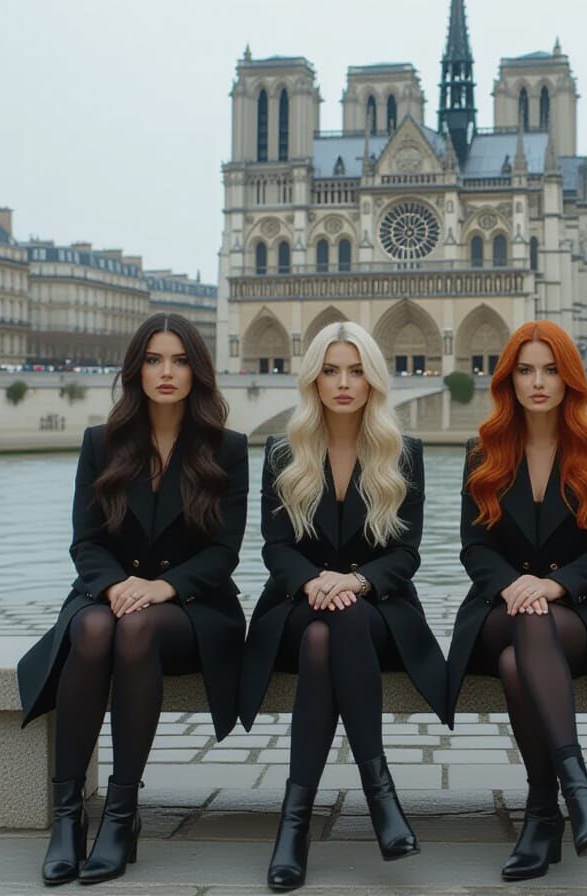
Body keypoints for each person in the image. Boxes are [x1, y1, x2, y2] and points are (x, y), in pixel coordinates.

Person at [17, 313, 249, 885]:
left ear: (197, 370)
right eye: (153, 360)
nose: (166, 372)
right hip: (107, 594)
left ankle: (120, 814)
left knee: (136, 629)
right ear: (135, 370)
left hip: (194, 608)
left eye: (178, 360)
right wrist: (119, 585)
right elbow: (86, 541)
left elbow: (223, 554)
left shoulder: (229, 448)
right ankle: (67, 817)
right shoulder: (102, 443)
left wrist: (162, 588)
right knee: (95, 631)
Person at [239, 321, 447, 892]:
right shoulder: (284, 451)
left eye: (356, 371)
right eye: (330, 371)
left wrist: (352, 583)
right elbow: (275, 549)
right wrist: (314, 583)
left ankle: (294, 825)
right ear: (313, 380)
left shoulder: (404, 454)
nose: (343, 383)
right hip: (295, 604)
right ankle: (381, 800)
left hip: (376, 609)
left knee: (332, 630)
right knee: (321, 631)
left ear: (374, 380)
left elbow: (405, 554)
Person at [446, 320, 587, 882]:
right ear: (508, 381)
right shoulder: (481, 451)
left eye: (551, 370)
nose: (539, 382)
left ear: (570, 380)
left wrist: (553, 586)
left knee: (521, 657)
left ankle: (542, 813)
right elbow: (473, 547)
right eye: (526, 371)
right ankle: (577, 791)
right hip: (497, 608)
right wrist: (513, 584)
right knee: (523, 627)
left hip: (580, 613)